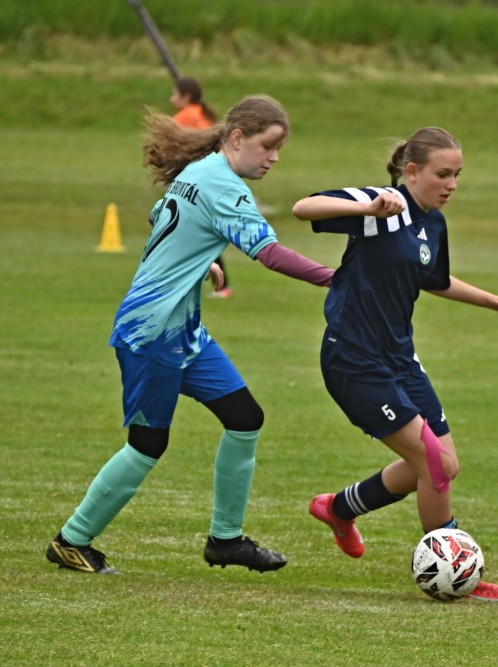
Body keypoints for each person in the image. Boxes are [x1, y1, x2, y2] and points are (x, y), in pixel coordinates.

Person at [46, 95, 336, 574]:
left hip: (182, 331)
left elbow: (161, 218)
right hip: (152, 332)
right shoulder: (224, 185)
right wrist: (336, 278)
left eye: (279, 149)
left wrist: (204, 262)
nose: (274, 158)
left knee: (245, 418)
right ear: (237, 138)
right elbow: (270, 254)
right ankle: (71, 540)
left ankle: (226, 540)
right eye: (267, 146)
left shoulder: (200, 171)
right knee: (147, 444)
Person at [291, 127, 498, 602]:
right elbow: (304, 208)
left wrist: (496, 300)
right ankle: (458, 575)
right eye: (443, 174)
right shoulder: (382, 207)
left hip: (401, 360)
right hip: (354, 361)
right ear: (411, 171)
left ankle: (339, 508)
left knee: (443, 465)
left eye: (457, 175)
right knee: (436, 466)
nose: (452, 184)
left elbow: (434, 279)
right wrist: (367, 208)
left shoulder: (433, 223)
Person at [169, 76, 233, 298]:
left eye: (175, 94)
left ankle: (219, 284)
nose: (171, 99)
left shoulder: (186, 116)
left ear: (186, 97)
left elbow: (171, 142)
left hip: (196, 184)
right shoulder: (204, 114)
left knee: (194, 231)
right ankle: (220, 285)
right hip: (212, 180)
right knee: (200, 231)